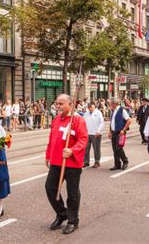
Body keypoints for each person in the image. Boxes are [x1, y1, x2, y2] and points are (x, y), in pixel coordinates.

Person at [45, 94, 88, 234]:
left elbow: (83, 139)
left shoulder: (78, 120)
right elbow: (52, 139)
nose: (58, 106)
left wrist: (72, 150)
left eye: (61, 104)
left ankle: (73, 220)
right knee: (50, 188)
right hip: (57, 160)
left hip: (72, 162)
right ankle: (62, 213)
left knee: (72, 193)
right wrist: (48, 155)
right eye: (57, 103)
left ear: (70, 104)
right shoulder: (56, 119)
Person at [108, 97, 131, 170]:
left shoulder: (122, 110)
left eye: (110, 103)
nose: (110, 104)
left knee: (119, 148)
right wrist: (110, 131)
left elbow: (129, 120)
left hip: (120, 132)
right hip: (114, 132)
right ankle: (117, 164)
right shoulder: (113, 110)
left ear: (115, 103)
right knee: (115, 149)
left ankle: (125, 161)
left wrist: (123, 130)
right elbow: (112, 122)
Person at [83, 103, 104, 168]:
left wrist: (98, 131)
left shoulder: (98, 113)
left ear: (94, 106)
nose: (90, 109)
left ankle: (97, 161)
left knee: (96, 148)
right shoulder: (86, 113)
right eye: (89, 107)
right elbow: (83, 122)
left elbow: (102, 122)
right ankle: (86, 162)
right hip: (87, 133)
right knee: (86, 149)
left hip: (96, 134)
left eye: (91, 107)